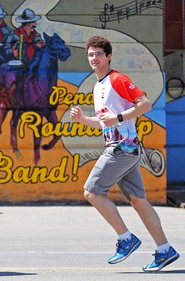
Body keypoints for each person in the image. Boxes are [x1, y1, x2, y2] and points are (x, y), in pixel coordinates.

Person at [70, 35, 180, 272]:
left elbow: (145, 105)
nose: (94, 58)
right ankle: (164, 250)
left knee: (92, 192)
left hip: (122, 149)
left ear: (108, 56)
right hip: (125, 150)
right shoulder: (97, 85)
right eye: (90, 54)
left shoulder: (117, 79)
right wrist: (83, 119)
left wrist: (118, 117)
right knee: (138, 200)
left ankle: (126, 238)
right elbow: (104, 123)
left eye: (99, 54)